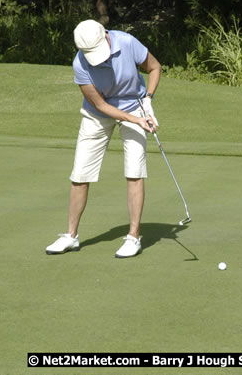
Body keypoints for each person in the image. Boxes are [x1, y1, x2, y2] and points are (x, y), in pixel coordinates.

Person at [46, 19, 161, 258]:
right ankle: (71, 236)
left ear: (106, 36)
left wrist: (148, 100)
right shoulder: (80, 63)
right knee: (80, 173)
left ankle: (133, 238)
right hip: (97, 114)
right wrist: (135, 120)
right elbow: (100, 104)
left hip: (136, 104)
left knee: (134, 171)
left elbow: (155, 67)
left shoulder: (127, 42)